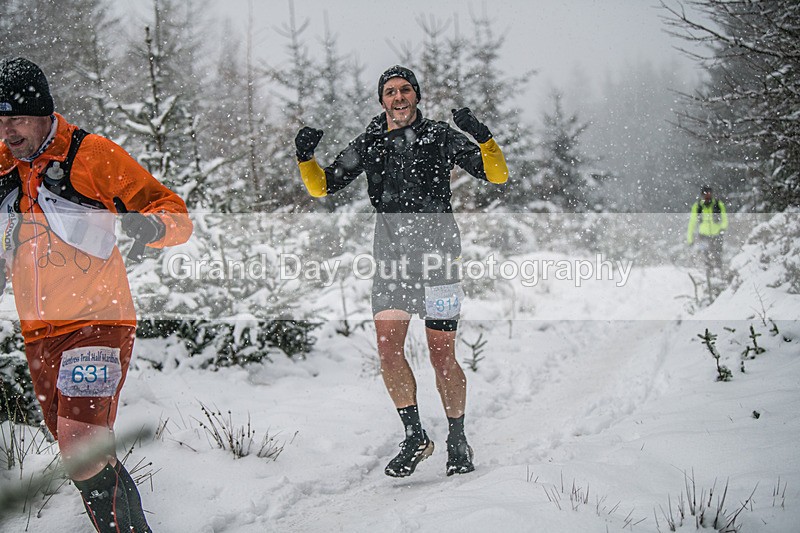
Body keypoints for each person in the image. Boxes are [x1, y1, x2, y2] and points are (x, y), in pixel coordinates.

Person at [0, 57, 192, 532]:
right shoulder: (4, 162)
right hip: (38, 332)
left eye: (18, 118)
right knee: (78, 450)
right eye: (0, 121)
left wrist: (151, 226)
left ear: (45, 112)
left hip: (97, 322)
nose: (9, 131)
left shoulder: (90, 154)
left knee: (80, 442)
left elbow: (175, 212)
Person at [294, 65, 508, 478]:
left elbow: (496, 175)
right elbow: (323, 186)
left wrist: (483, 137)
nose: (398, 97)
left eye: (405, 90)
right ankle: (414, 436)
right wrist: (305, 157)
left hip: (439, 260)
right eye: (390, 91)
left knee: (441, 354)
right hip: (391, 262)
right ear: (382, 100)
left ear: (416, 96)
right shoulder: (370, 142)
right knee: (389, 351)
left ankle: (457, 436)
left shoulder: (440, 136)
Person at [687, 185, 728, 272]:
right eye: (705, 194)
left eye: (709, 194)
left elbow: (724, 218)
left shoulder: (718, 204)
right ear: (702, 195)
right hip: (703, 235)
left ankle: (718, 273)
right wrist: (690, 238)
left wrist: (722, 228)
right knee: (706, 257)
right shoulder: (697, 206)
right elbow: (692, 223)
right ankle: (708, 275)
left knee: (717, 256)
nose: (707, 196)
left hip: (717, 234)